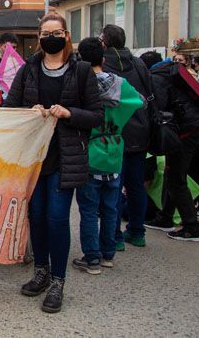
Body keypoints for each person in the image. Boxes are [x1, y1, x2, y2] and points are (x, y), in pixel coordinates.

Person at [4, 13, 102, 313]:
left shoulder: (82, 70)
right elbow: (9, 108)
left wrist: (69, 113)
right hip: (34, 158)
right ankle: (41, 272)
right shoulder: (28, 69)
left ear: (66, 36)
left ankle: (58, 281)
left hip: (65, 156)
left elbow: (97, 116)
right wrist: (28, 112)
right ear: (39, 37)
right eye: (46, 33)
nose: (51, 38)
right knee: (37, 216)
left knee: (57, 218)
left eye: (56, 33)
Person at [72, 38, 143, 275]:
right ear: (103, 59)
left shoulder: (80, 84)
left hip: (90, 150)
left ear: (80, 59)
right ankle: (108, 254)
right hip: (113, 149)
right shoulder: (119, 83)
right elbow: (140, 101)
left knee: (89, 209)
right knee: (111, 207)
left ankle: (92, 257)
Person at [98, 24, 153, 249]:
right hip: (140, 129)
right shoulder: (138, 63)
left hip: (114, 130)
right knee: (136, 185)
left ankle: (115, 236)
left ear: (104, 42)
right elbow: (150, 93)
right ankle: (137, 232)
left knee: (113, 185)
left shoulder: (103, 64)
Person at [145, 58, 199, 241]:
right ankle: (165, 217)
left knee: (176, 179)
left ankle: (192, 227)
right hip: (193, 126)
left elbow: (160, 108)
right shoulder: (169, 72)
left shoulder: (156, 78)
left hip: (186, 130)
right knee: (173, 175)